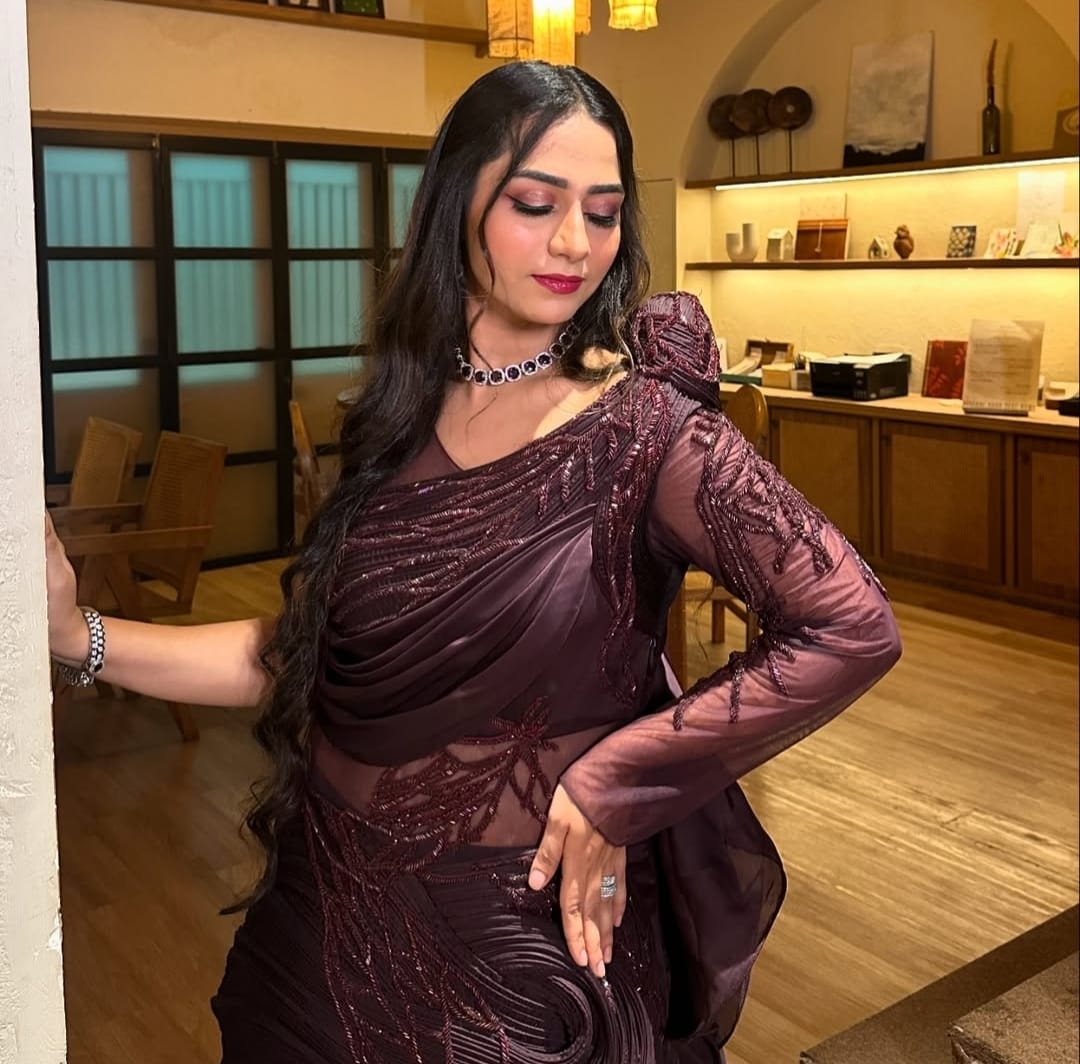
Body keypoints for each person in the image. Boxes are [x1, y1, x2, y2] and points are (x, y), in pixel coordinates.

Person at [44, 61, 902, 1064]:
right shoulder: (397, 416)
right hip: (320, 924)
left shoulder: (652, 436)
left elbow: (851, 625)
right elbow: (303, 656)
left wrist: (623, 777)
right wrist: (76, 635)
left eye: (603, 212)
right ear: (458, 205)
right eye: (536, 204)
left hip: (515, 960)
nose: (576, 242)